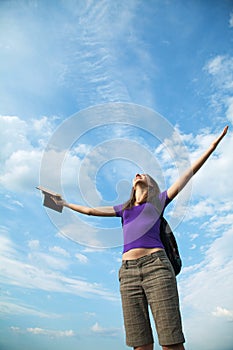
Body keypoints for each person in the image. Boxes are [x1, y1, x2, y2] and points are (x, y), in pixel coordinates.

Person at [52, 126, 228, 350]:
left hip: (157, 268)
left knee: (170, 342)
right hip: (127, 274)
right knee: (140, 344)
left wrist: (212, 146)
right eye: (137, 174)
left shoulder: (158, 202)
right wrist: (64, 203)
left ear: (152, 186)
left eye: (144, 175)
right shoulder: (123, 209)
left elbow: (187, 174)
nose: (138, 174)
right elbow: (90, 211)